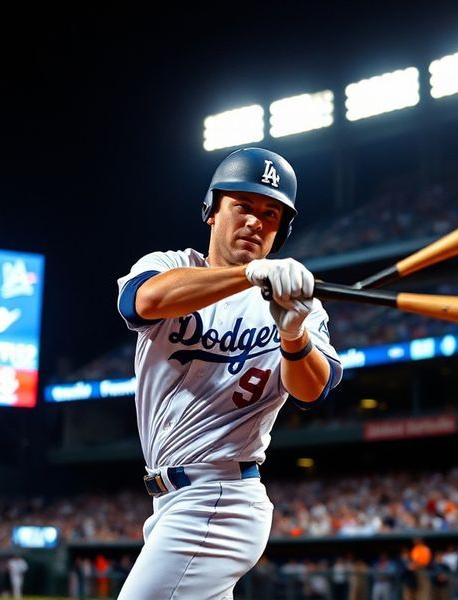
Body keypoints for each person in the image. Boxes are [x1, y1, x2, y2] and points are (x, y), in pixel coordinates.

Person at [115, 147, 342, 599]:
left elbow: (312, 390)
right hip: (171, 499)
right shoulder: (171, 266)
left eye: (271, 213)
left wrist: (294, 336)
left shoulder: (297, 306)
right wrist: (249, 276)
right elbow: (143, 302)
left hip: (219, 498)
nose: (257, 220)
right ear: (211, 212)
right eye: (244, 206)